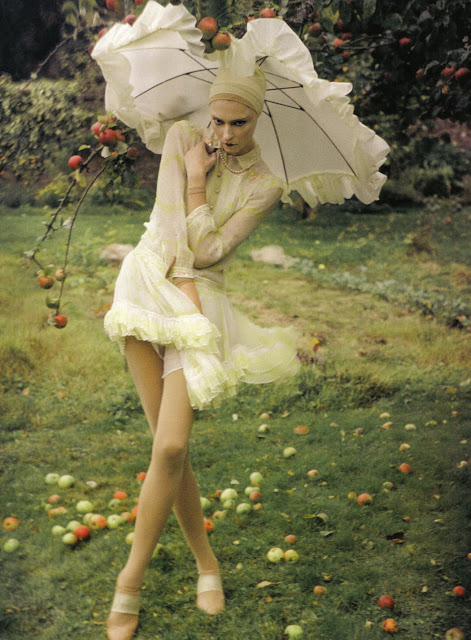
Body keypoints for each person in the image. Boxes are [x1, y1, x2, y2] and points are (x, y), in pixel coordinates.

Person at [105, 66, 300, 640]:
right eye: (218, 119)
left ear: (257, 118)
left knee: (171, 445)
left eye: (239, 123)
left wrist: (197, 186)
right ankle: (206, 564)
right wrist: (190, 175)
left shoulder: (265, 184)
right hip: (149, 284)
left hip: (200, 301)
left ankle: (130, 580)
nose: (225, 133)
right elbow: (170, 228)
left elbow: (213, 249)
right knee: (167, 449)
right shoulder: (182, 138)